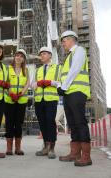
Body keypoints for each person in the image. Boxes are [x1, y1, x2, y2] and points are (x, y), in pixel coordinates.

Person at [58, 30, 92, 166]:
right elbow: (65, 75)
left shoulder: (79, 51)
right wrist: (60, 86)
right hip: (69, 93)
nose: (62, 44)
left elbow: (75, 70)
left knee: (80, 122)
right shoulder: (69, 57)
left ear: (71, 39)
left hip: (77, 92)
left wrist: (64, 87)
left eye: (64, 41)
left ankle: (86, 156)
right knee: (72, 124)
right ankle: (75, 153)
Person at [33, 47, 60, 159]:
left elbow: (61, 83)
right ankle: (45, 147)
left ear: (50, 55)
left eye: (44, 53)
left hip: (51, 99)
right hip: (39, 100)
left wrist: (50, 82)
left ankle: (52, 148)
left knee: (50, 122)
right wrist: (36, 84)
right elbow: (33, 85)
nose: (42, 56)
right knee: (42, 123)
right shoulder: (37, 70)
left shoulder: (58, 68)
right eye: (41, 54)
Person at [4, 49, 29, 155]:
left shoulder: (26, 70)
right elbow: (5, 83)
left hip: (21, 100)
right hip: (9, 100)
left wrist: (21, 93)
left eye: (21, 56)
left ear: (23, 59)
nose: (18, 57)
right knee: (9, 124)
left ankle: (18, 148)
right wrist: (11, 93)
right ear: (14, 57)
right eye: (17, 55)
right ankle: (9, 148)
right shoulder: (8, 69)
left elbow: (27, 83)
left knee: (19, 124)